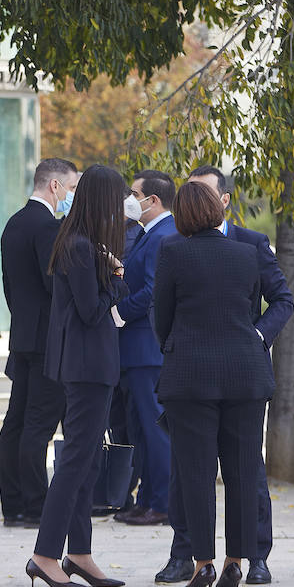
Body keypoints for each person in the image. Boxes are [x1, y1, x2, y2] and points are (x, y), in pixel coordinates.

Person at [155, 165, 294, 585]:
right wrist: (247, 339)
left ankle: (203, 564)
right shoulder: (245, 253)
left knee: (196, 474)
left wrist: (178, 345)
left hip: (191, 374)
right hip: (246, 375)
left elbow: (161, 318)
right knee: (241, 470)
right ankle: (237, 560)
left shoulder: (172, 252)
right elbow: (251, 303)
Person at [25, 164, 129, 587]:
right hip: (87, 367)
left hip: (84, 365)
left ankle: (79, 553)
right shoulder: (81, 245)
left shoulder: (77, 240)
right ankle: (45, 555)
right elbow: (90, 310)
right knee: (74, 464)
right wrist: (116, 281)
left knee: (85, 462)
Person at [0, 158, 78, 528]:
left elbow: (11, 286)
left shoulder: (15, 222)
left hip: (25, 334)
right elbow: (54, 284)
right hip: (48, 339)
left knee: (16, 422)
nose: (73, 195)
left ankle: (12, 502)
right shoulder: (47, 226)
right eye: (72, 187)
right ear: (55, 187)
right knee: (38, 424)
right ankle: (34, 505)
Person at [112, 170, 178, 527]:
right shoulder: (150, 234)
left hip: (146, 347)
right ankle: (147, 498)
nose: (130, 199)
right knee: (143, 428)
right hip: (139, 348)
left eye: (134, 194)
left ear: (152, 200)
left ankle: (162, 503)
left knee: (154, 429)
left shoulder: (163, 236)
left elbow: (153, 292)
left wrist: (117, 312)